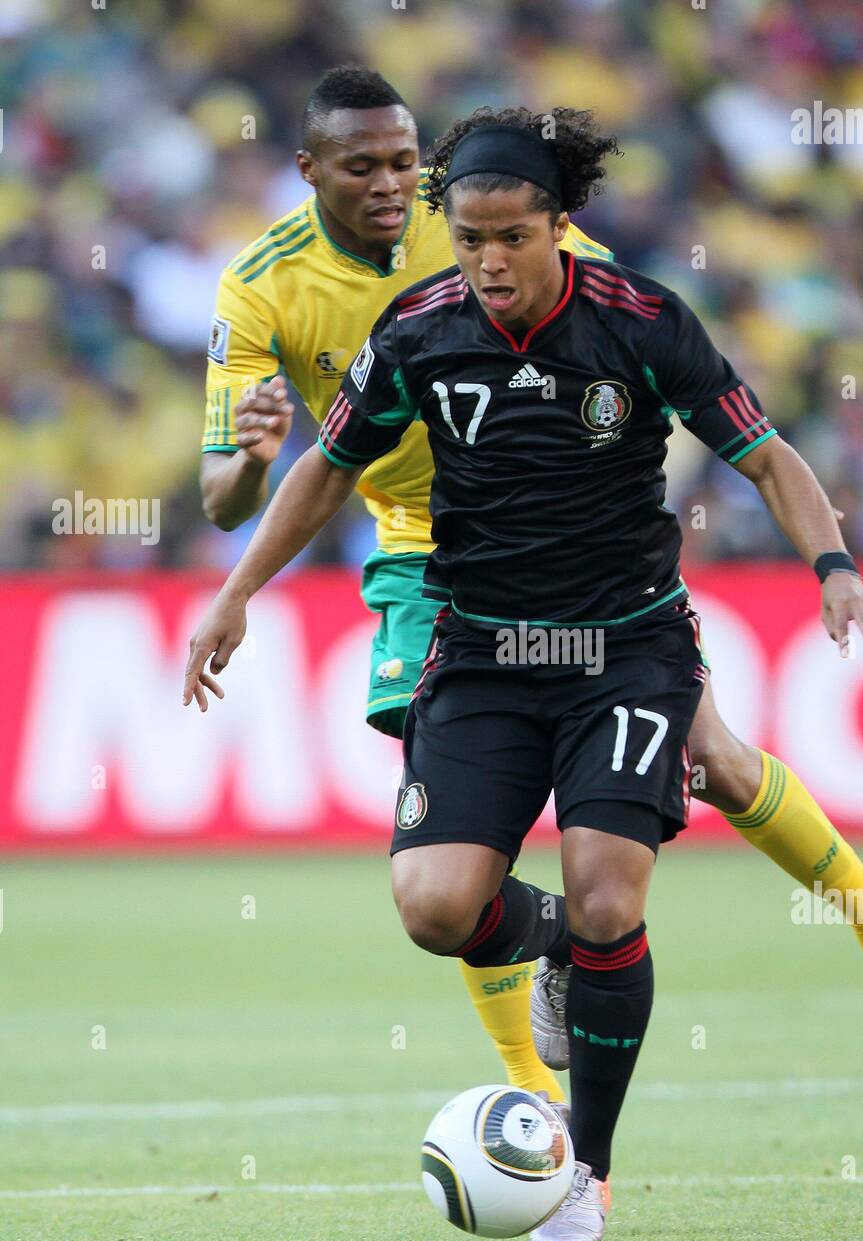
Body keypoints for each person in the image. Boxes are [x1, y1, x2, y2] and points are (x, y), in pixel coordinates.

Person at [184, 107, 863, 1241]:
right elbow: (323, 469)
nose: (489, 261)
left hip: (623, 647)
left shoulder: (639, 321)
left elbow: (767, 453)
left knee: (622, 878)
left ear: (561, 227)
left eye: (511, 236)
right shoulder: (415, 328)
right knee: (436, 906)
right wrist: (235, 590)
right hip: (483, 645)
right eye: (467, 238)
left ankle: (586, 1167)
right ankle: (565, 950)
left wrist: (834, 566)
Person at [201, 67, 614, 1109]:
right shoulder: (260, 286)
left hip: (560, 535)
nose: (393, 184)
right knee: (447, 857)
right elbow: (219, 498)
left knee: (715, 764)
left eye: (404, 161)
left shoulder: (475, 214)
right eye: (362, 167)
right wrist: (251, 459)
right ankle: (540, 1080)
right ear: (307, 171)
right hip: (422, 550)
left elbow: (614, 309)